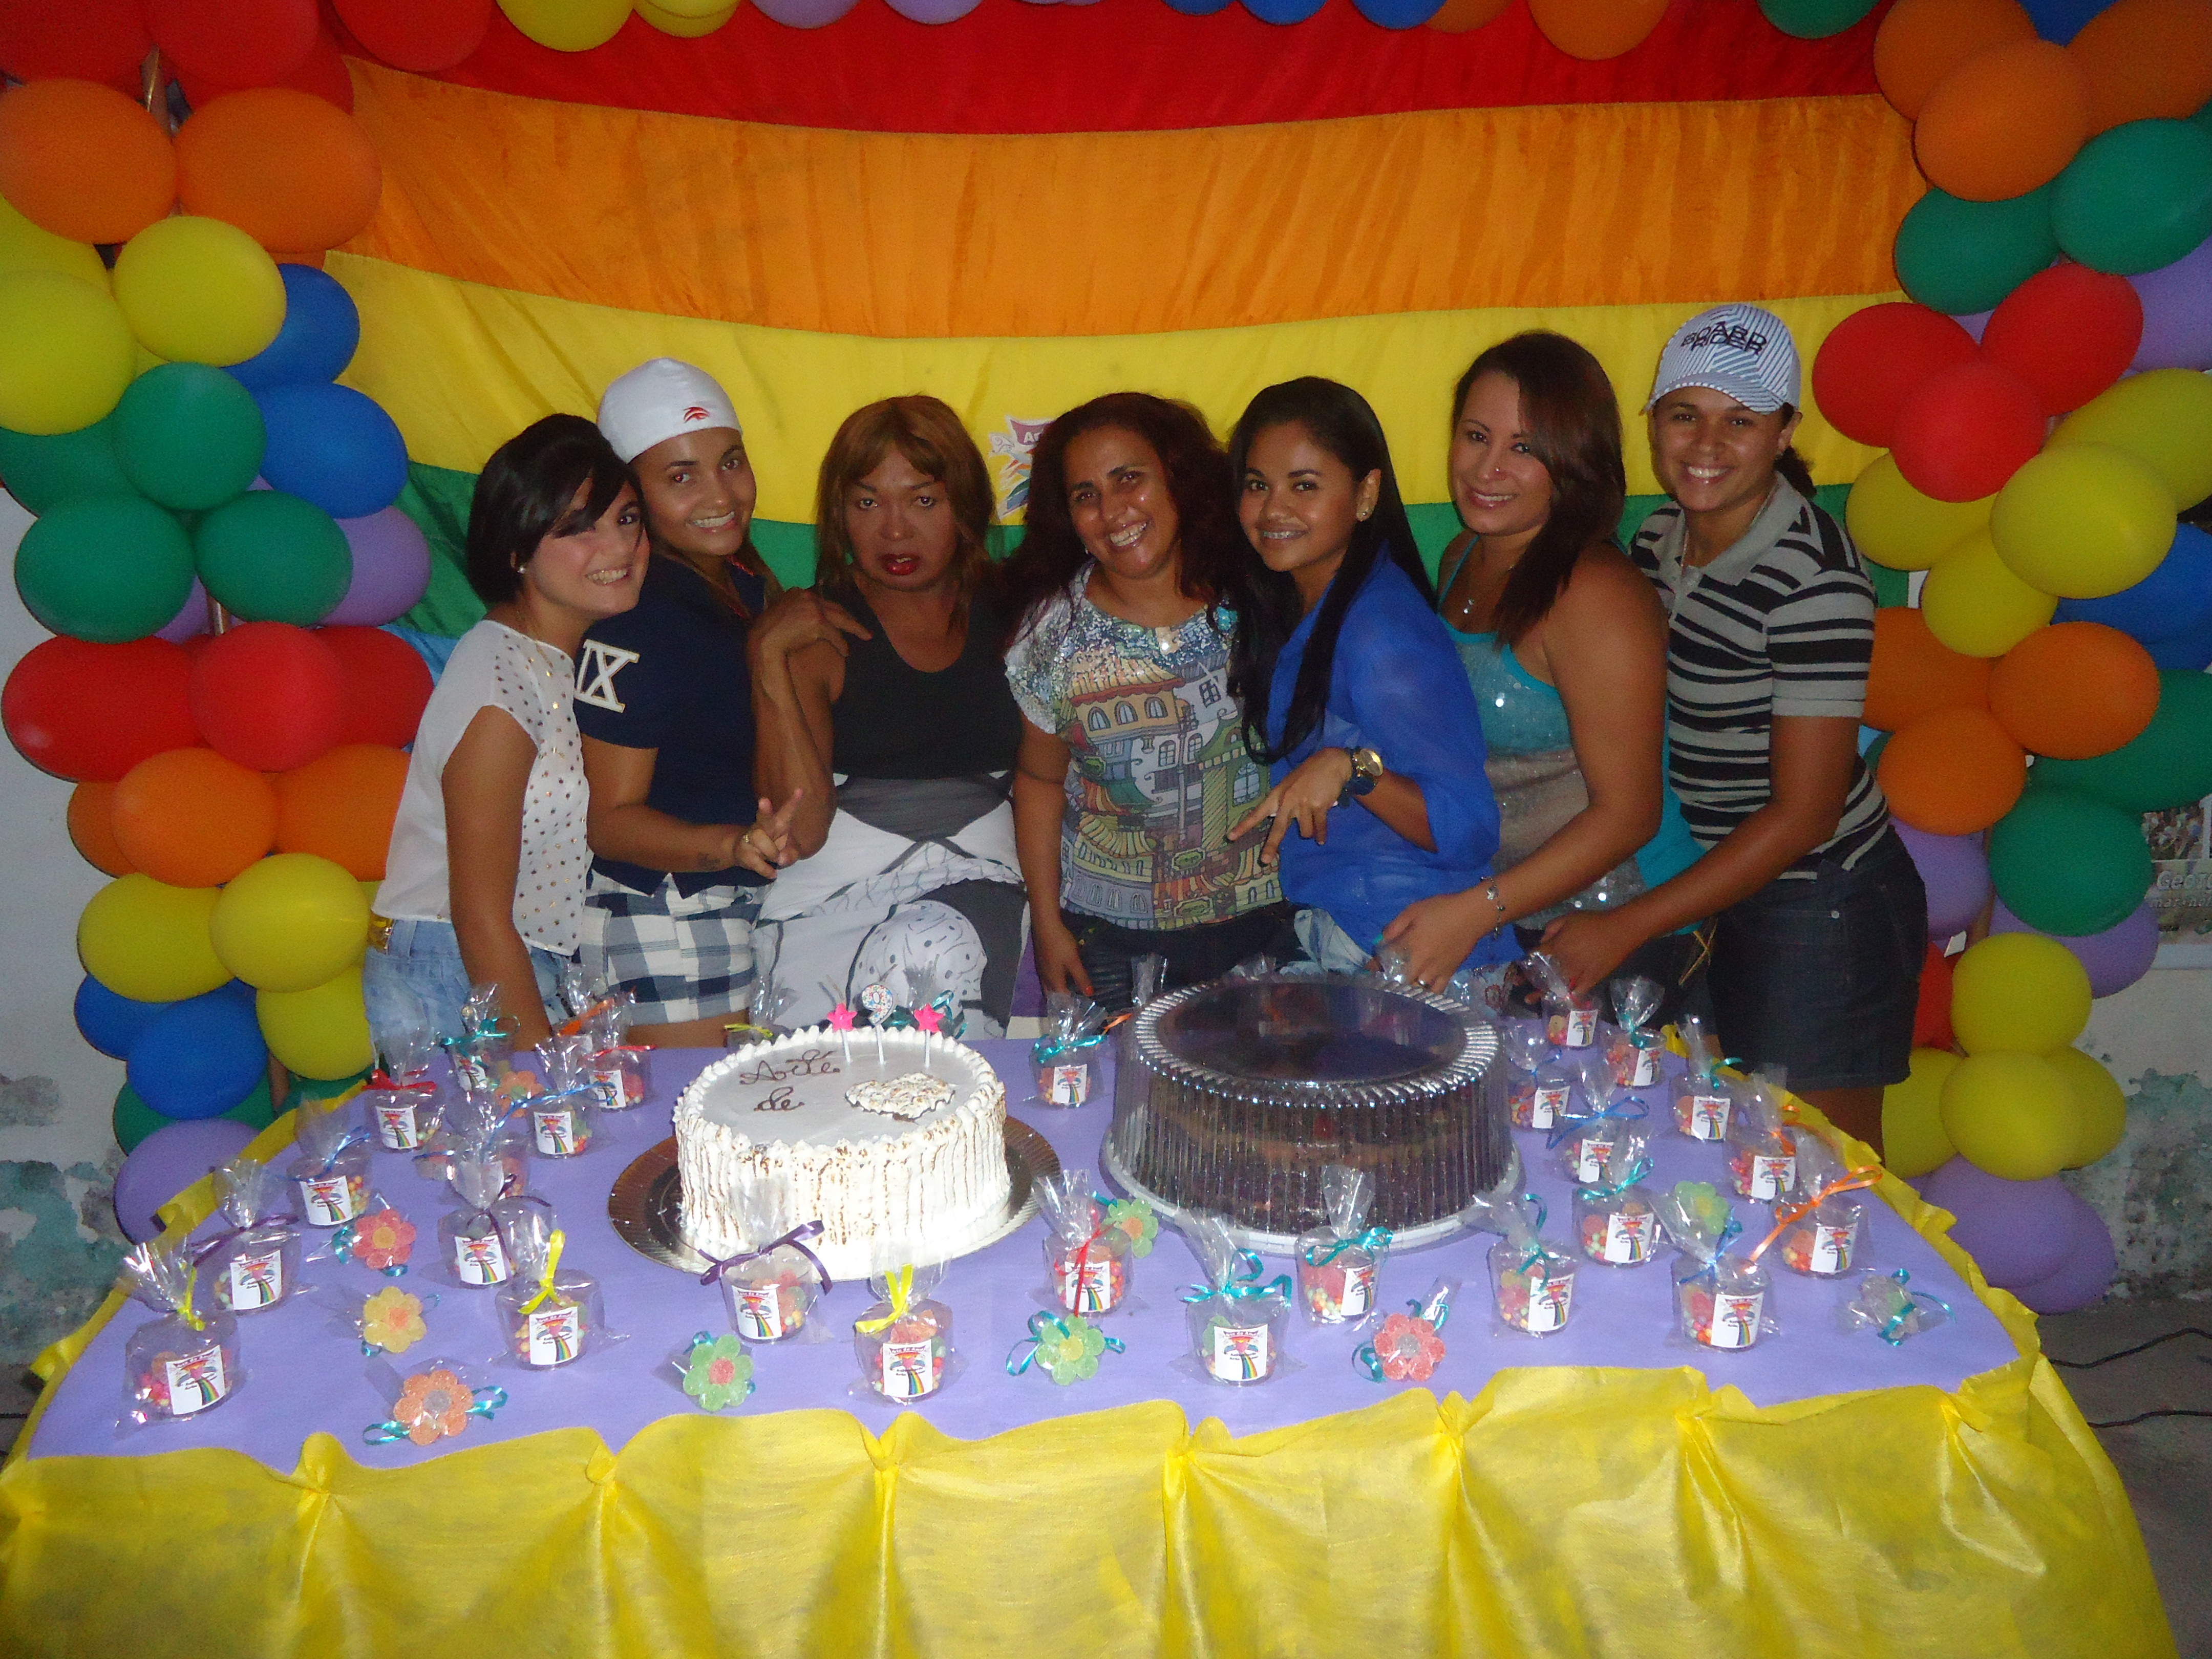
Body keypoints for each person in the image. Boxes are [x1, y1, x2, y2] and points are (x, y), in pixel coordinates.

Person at [1537, 304, 1926, 1150]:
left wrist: (1628, 924)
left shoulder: (1815, 578)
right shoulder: (1658, 537)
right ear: (1654, 424)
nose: (1706, 444)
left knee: (1818, 1164)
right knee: (1719, 1152)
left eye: (1740, 421)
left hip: (1819, 899)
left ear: (1784, 432)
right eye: (1686, 415)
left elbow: (1804, 816)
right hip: (1714, 878)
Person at [1376, 333, 1708, 1019]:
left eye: (1524, 447)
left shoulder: (1596, 594)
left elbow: (1629, 814)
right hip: (1510, 915)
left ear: (1574, 461)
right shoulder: (1463, 555)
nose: (1487, 469)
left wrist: (1474, 912)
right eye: (1476, 436)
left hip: (1618, 926)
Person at [1002, 393, 1293, 1009]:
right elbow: (1039, 783)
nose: (1112, 512)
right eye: (1085, 495)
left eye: (1128, 479)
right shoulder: (1052, 635)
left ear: (1178, 479)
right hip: (1111, 941)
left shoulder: (1262, 595)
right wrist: (1047, 924)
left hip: (1269, 925)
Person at [366, 415, 648, 1047]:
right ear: (516, 551)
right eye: (579, 528)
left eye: (627, 519)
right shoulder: (501, 679)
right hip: (455, 962)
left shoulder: (563, 661)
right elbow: (479, 913)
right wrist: (543, 1071)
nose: (619, 547)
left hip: (510, 956)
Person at [749, 396, 1028, 1034]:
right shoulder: (814, 629)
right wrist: (767, 657)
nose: (894, 531)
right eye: (867, 502)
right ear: (839, 514)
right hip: (827, 901)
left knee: (927, 957)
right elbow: (799, 834)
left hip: (972, 889)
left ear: (965, 504)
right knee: (815, 1087)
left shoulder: (1018, 608)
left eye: (923, 501)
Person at [1223, 376, 1508, 981]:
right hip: (1350, 936)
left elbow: (1469, 828)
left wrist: (1352, 768)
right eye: (1257, 485)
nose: (1273, 510)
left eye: (1304, 485)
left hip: (1413, 956)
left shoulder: (1382, 633)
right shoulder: (1305, 602)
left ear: (1366, 493)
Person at [574, 359, 798, 1047]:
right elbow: (610, 823)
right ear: (631, 495)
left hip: (734, 899)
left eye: (731, 462)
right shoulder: (636, 619)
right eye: (681, 477)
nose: (720, 494)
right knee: (687, 1118)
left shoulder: (742, 585)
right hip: (661, 913)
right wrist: (731, 844)